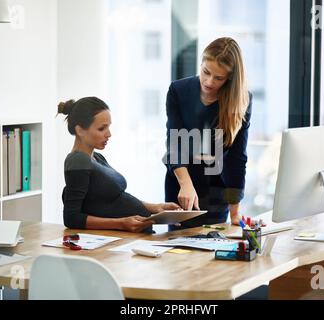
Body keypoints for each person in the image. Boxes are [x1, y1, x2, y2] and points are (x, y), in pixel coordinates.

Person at [164, 37, 252, 230]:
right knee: (179, 252)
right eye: (206, 72)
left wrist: (235, 211)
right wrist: (186, 184)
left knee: (212, 250)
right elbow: (174, 143)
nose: (209, 81)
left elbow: (237, 158)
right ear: (201, 63)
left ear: (230, 77)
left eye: (219, 78)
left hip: (217, 191)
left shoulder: (242, 101)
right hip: (181, 186)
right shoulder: (178, 91)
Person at [58, 96, 180, 233]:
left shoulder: (97, 157)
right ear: (80, 130)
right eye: (101, 129)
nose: (109, 134)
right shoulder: (77, 160)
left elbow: (112, 200)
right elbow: (71, 218)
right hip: (117, 240)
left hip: (133, 237)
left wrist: (155, 208)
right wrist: (121, 223)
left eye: (108, 127)